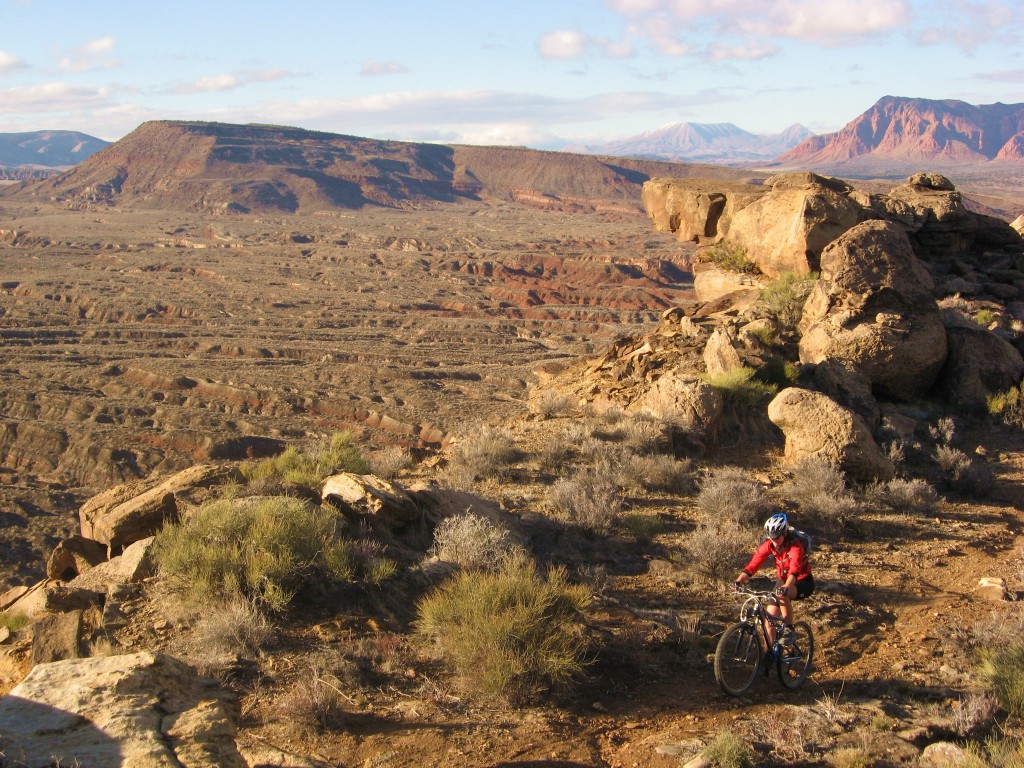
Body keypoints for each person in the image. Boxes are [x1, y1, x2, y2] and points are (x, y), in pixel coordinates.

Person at [734, 512, 814, 645]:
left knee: (783, 594)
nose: (774, 541)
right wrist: (739, 580)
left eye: (777, 538)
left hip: (802, 581)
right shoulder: (769, 544)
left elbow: (794, 571)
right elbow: (753, 564)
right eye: (771, 538)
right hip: (782, 580)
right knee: (769, 620)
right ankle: (768, 656)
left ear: (784, 534)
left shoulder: (795, 547)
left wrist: (786, 587)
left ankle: (790, 630)